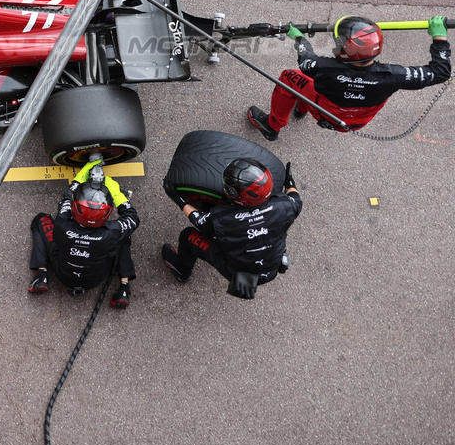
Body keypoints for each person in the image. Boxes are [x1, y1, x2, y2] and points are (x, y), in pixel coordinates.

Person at [248, 15, 450, 140]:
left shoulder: (325, 68)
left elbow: (305, 61)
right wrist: (439, 37)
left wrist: (299, 37)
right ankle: (301, 109)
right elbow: (440, 72)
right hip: (355, 123)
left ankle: (272, 127)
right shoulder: (394, 76)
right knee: (309, 85)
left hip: (325, 112)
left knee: (290, 77)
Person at [161, 158, 301, 299]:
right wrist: (289, 181)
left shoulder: (224, 218)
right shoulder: (286, 205)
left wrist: (178, 198)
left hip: (238, 272)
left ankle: (181, 271)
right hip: (272, 268)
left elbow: (199, 221)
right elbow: (295, 197)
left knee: (188, 235)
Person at [28, 159, 138, 308]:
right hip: (94, 279)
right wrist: (116, 192)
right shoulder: (112, 232)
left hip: (63, 275)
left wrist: (81, 176)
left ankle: (42, 274)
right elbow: (132, 217)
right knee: (124, 236)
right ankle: (124, 288)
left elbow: (67, 198)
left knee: (41, 219)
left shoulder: (62, 224)